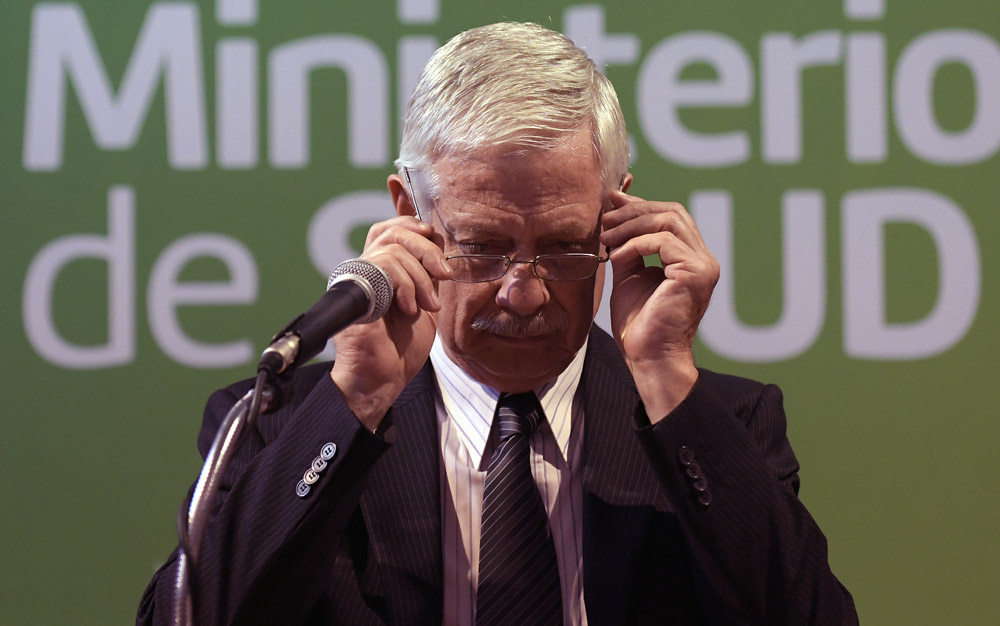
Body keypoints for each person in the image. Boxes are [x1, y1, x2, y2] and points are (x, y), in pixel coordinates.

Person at [138, 21, 857, 626]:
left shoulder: (720, 424)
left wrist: (668, 375)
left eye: (563, 247)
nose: (522, 293)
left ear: (617, 217)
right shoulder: (279, 422)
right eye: (481, 247)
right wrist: (353, 398)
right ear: (407, 215)